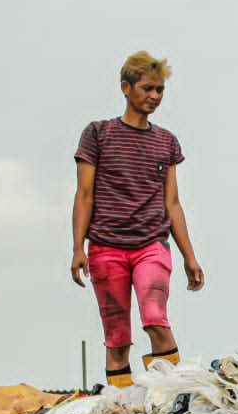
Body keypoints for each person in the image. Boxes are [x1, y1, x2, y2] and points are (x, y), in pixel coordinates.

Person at [72, 51, 204, 388]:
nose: (154, 96)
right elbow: (84, 194)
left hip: (152, 245)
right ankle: (122, 407)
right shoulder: (98, 134)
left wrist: (190, 256)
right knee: (117, 338)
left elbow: (172, 203)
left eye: (160, 90)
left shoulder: (166, 142)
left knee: (155, 319)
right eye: (147, 88)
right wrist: (77, 249)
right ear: (125, 88)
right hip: (106, 247)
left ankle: (168, 399)